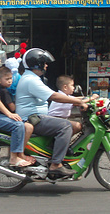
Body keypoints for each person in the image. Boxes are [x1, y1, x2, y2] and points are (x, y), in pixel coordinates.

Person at [15, 48, 88, 178]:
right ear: (37, 64)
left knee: (76, 126)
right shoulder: (31, 80)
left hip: (38, 118)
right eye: (44, 63)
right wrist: (79, 102)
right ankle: (56, 164)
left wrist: (83, 99)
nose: (46, 65)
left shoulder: (33, 78)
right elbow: (54, 96)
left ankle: (54, 151)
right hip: (33, 119)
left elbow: (58, 96)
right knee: (65, 126)